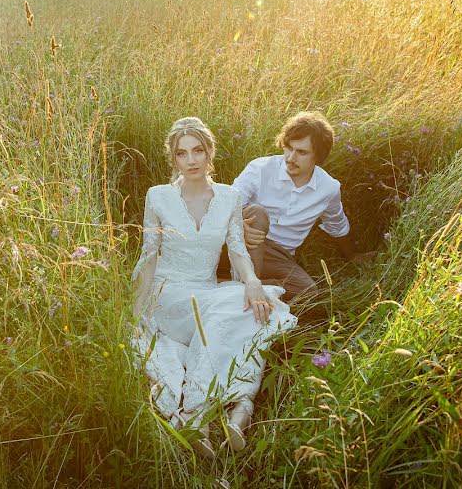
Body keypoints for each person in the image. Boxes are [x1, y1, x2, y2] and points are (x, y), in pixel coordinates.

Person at [131, 117, 297, 459]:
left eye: (198, 151)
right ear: (173, 158)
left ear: (210, 153)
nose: (191, 160)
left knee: (256, 308)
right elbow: (149, 256)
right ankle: (201, 410)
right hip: (168, 293)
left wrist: (252, 282)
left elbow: (237, 250)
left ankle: (236, 413)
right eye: (182, 153)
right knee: (225, 315)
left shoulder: (229, 197)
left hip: (205, 290)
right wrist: (136, 310)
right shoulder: (158, 196)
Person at [228, 111, 375, 316]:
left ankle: (232, 285)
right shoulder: (260, 168)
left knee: (308, 292)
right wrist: (239, 226)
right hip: (245, 241)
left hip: (279, 256)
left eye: (302, 152)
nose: (291, 158)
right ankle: (249, 286)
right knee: (258, 213)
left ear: (318, 156)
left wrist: (351, 255)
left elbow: (337, 225)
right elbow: (223, 205)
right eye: (288, 148)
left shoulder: (328, 188)